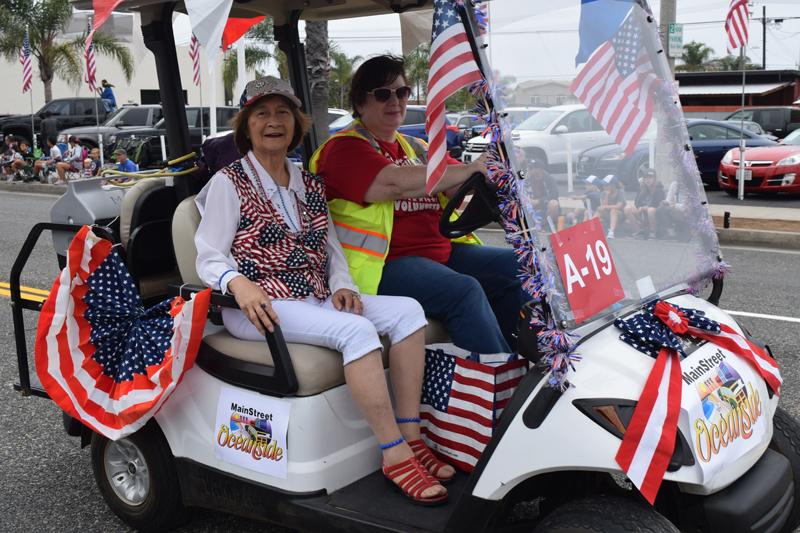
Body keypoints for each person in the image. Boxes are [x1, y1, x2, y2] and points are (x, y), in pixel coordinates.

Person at [195, 76, 453, 505]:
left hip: (312, 298)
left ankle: (410, 434)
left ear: (296, 124)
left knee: (409, 312)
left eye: (282, 113)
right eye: (261, 114)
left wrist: (343, 286)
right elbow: (208, 255)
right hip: (260, 308)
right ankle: (393, 454)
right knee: (356, 333)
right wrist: (237, 283)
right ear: (246, 126)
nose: (273, 122)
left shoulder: (309, 184)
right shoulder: (229, 182)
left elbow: (332, 251)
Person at [311, 55, 525, 355]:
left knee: (518, 265)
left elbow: (455, 186)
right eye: (383, 94)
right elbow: (392, 182)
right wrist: (469, 169)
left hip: (438, 254)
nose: (395, 101)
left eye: (402, 92)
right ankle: (499, 380)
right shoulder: (343, 149)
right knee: (463, 290)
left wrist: (497, 170)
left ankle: (526, 357)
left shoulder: (418, 148)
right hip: (381, 266)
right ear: (360, 104)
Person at [624, 168, 665, 239]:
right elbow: (637, 203)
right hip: (643, 214)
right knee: (628, 208)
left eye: (650, 177)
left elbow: (659, 204)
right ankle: (639, 232)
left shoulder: (659, 189)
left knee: (650, 210)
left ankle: (653, 233)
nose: (648, 180)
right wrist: (641, 207)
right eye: (646, 178)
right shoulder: (642, 189)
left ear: (654, 179)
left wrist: (646, 207)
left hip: (655, 215)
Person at [527, 158, 560, 223]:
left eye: (531, 168)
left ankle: (549, 222)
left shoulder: (549, 178)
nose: (529, 170)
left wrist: (539, 201)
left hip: (545, 205)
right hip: (533, 207)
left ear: (539, 169)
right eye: (529, 168)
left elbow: (555, 194)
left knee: (554, 203)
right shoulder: (528, 179)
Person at [596, 174, 625, 238]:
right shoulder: (604, 193)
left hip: (619, 214)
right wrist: (606, 196)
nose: (604, 187)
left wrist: (606, 207)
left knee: (613, 210)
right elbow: (603, 207)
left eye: (606, 185)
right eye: (603, 185)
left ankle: (611, 232)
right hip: (607, 214)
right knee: (599, 211)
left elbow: (619, 206)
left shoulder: (620, 192)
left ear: (613, 185)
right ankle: (589, 228)